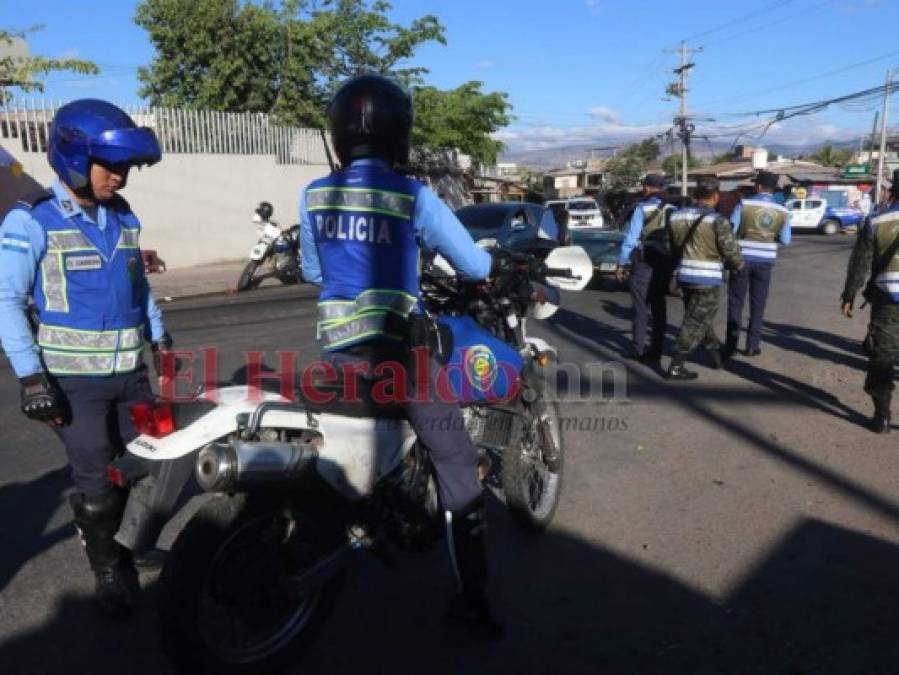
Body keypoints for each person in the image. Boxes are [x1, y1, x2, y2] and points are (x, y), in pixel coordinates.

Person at [299, 74, 503, 639]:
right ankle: (472, 603)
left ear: (338, 135)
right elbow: (477, 267)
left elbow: (314, 272)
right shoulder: (413, 196)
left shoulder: (314, 194)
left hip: (338, 353)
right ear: (399, 136)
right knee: (459, 467)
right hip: (400, 356)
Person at [0, 99, 170, 614]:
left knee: (148, 469)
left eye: (124, 167)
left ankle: (132, 546)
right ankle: (107, 571)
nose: (119, 177)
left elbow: (137, 288)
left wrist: (159, 337)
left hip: (130, 376)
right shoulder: (32, 221)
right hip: (73, 384)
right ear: (73, 156)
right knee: (97, 485)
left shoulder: (124, 217)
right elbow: (6, 300)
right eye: (109, 165)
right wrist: (32, 379)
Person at [666, 176, 744, 380]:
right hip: (707, 279)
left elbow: (669, 247)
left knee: (700, 316)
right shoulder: (717, 220)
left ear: (695, 195)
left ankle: (716, 357)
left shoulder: (675, 216)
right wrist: (738, 265)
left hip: (684, 276)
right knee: (695, 320)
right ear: (716, 196)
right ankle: (676, 364)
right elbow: (730, 250)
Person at [840, 169, 899, 433]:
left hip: (887, 302)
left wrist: (849, 294)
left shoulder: (877, 221)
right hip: (886, 301)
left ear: (892, 192)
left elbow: (860, 264)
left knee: (882, 357)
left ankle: (882, 416)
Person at [724, 170, 791, 359]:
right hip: (765, 261)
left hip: (741, 259)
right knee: (758, 304)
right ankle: (752, 346)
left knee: (736, 303)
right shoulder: (783, 210)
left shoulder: (744, 204)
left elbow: (731, 230)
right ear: (772, 189)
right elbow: (785, 240)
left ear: (758, 186)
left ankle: (730, 346)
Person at [616, 174, 674, 364]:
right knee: (659, 307)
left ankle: (637, 348)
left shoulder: (641, 208)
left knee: (640, 307)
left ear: (648, 188)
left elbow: (631, 239)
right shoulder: (673, 209)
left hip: (644, 263)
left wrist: (622, 262)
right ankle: (656, 350)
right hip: (664, 263)